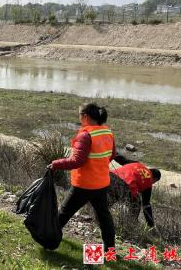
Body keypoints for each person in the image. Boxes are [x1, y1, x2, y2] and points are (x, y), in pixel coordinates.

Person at [50, 103, 116, 253]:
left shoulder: (85, 135)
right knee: (104, 217)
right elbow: (111, 155)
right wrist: (98, 166)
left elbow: (76, 161)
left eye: (80, 116)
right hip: (102, 183)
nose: (79, 119)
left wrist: (55, 164)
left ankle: (48, 240)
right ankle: (110, 250)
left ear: (85, 117)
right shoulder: (107, 132)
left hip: (84, 185)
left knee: (64, 213)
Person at [109, 154, 161, 228]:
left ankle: (99, 215)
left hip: (110, 177)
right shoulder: (149, 181)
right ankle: (132, 224)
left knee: (111, 198)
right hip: (124, 186)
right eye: (154, 182)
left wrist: (113, 152)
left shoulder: (137, 164)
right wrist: (151, 224)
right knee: (137, 203)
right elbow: (146, 206)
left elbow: (122, 160)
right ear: (155, 179)